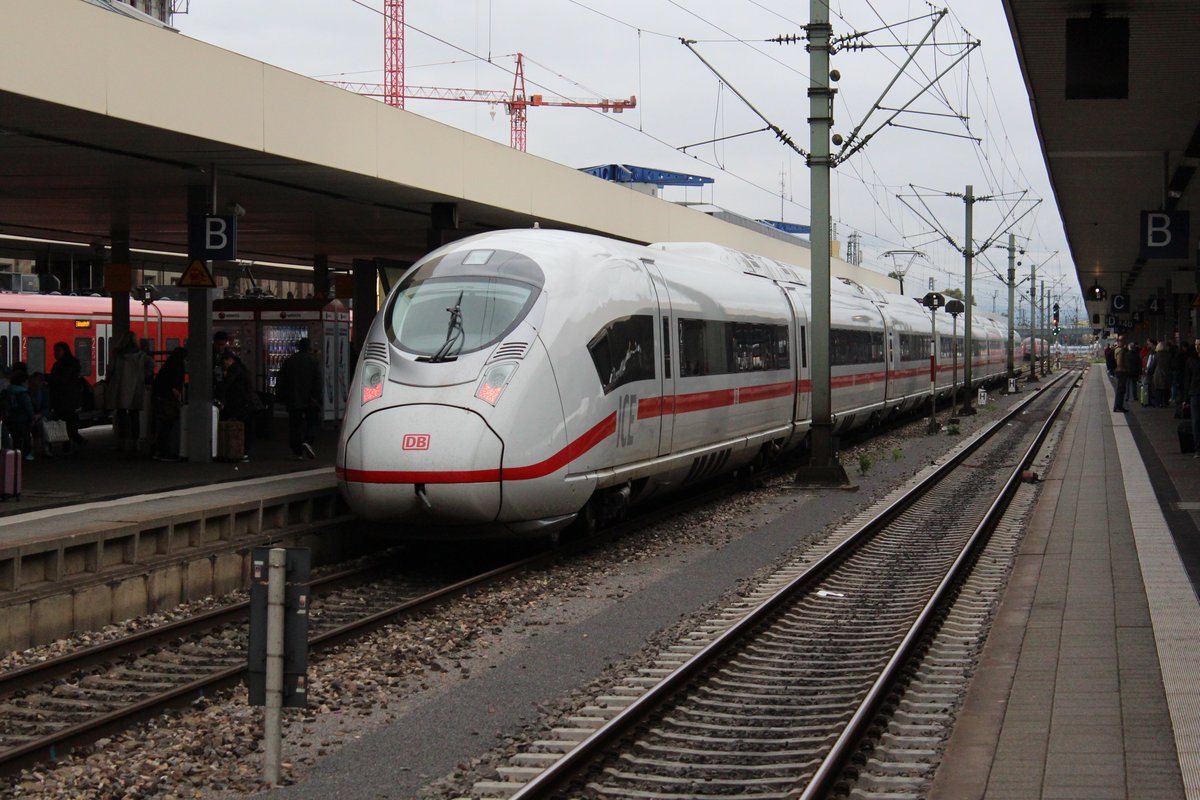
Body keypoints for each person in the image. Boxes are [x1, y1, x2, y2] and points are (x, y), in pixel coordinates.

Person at [275, 337, 322, 460]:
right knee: (313, 421)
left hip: (293, 398)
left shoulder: (290, 360)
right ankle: (308, 441)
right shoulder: (313, 361)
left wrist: (281, 396)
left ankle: (297, 452)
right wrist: (316, 396)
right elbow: (318, 381)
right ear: (309, 348)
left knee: (295, 425)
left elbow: (281, 379)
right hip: (309, 399)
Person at [105, 331, 153, 452]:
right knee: (134, 414)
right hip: (136, 387)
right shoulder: (140, 355)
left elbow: (110, 370)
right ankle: (135, 441)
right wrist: (145, 374)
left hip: (120, 387)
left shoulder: (117, 355)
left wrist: (108, 381)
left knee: (121, 413)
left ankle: (123, 441)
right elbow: (152, 364)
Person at [215, 349, 259, 461]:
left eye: (223, 363)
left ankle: (241, 452)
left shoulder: (234, 370)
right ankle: (242, 452)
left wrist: (218, 396)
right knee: (247, 428)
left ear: (229, 360)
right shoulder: (241, 368)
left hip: (244, 404)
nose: (223, 366)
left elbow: (226, 385)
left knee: (243, 428)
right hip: (249, 403)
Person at [48, 342, 86, 449]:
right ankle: (72, 441)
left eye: (57, 351)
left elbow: (60, 380)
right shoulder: (73, 363)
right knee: (69, 420)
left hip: (65, 398)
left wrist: (47, 378)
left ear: (64, 351)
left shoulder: (61, 365)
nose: (55, 353)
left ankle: (72, 441)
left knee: (64, 420)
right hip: (71, 398)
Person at [152, 347, 187, 461]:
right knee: (170, 424)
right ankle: (167, 451)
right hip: (167, 399)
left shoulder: (168, 366)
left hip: (160, 397)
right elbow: (175, 388)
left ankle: (160, 451)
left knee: (164, 425)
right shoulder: (177, 367)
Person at [3, 369, 35, 461]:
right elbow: (28, 407)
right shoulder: (23, 394)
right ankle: (27, 453)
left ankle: (16, 453)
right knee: (26, 437)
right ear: (23, 382)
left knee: (16, 437)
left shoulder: (8, 391)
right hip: (23, 419)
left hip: (11, 418)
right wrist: (32, 417)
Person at [1113, 334, 1136, 412]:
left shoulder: (1116, 349)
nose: (1125, 342)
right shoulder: (1121, 350)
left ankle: (1118, 406)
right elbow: (1119, 362)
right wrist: (1125, 369)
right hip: (1121, 372)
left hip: (1118, 371)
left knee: (1120, 390)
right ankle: (1118, 406)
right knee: (1121, 390)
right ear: (1121, 341)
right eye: (1124, 340)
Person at [1188, 340, 1200, 459]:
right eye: (1196, 345)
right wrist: (1185, 398)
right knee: (1196, 422)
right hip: (1195, 393)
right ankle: (1197, 448)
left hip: (1195, 392)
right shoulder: (1191, 360)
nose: (1198, 347)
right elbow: (1187, 378)